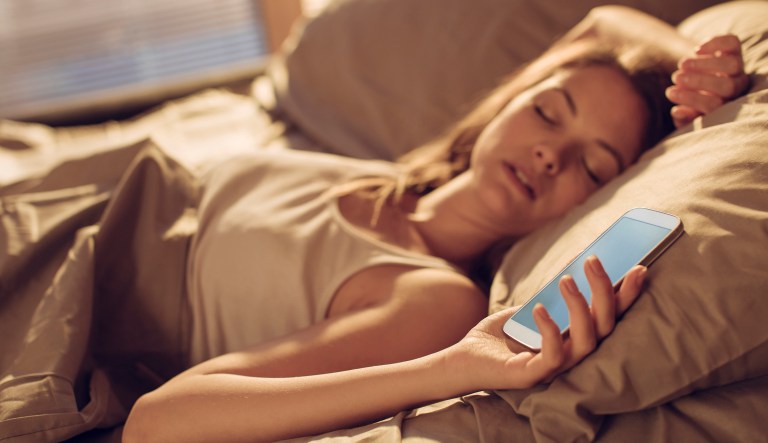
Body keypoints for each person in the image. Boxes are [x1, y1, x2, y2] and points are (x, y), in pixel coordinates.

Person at [122, 6, 749, 442]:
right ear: (509, 103)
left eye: (591, 164)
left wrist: (454, 367)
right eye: (548, 113)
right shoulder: (381, 173)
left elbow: (158, 425)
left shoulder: (433, 299)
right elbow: (605, 23)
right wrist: (683, 65)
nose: (548, 154)